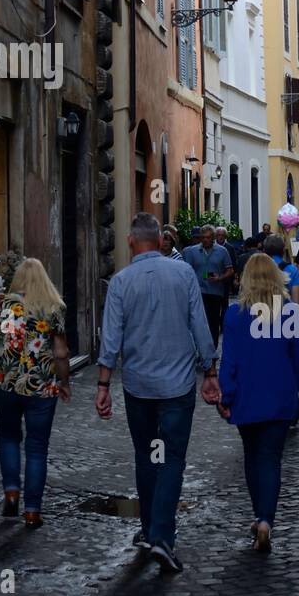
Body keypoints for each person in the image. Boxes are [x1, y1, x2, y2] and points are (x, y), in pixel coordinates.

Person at [95, 213, 220, 572]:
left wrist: (103, 385)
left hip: (139, 387)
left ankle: (150, 529)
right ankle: (162, 535)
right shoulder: (183, 274)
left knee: (148, 455)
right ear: (159, 240)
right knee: (172, 458)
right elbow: (200, 325)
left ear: (132, 242)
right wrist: (209, 371)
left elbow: (110, 338)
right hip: (178, 386)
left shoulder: (120, 282)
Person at [218, 254, 299, 552]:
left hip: (247, 397)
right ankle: (265, 520)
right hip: (279, 397)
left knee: (252, 456)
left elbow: (229, 360)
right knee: (271, 459)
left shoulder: (234, 315)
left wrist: (226, 394)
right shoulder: (288, 312)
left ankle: (259, 513)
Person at [0, 258, 70, 528]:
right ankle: (32, 511)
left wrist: (6, 338)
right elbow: (62, 353)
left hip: (5, 384)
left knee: (8, 438)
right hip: (42, 387)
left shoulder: (3, 303)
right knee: (37, 448)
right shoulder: (53, 308)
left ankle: (11, 492)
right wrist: (64, 382)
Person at [182, 226, 234, 345]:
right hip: (198, 292)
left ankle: (213, 346)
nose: (205, 240)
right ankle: (200, 346)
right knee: (199, 320)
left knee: (213, 321)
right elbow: (187, 271)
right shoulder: (192, 251)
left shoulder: (222, 251)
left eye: (208, 237)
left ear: (213, 238)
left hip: (215, 292)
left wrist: (219, 278)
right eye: (203, 237)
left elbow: (230, 270)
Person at [262, 234, 299, 306]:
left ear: (264, 251)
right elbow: (296, 301)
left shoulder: (258, 268)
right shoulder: (292, 270)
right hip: (284, 313)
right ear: (283, 250)